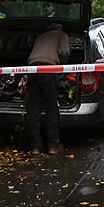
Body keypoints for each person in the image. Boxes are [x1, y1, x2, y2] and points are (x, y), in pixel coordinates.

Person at [26, 23, 70, 155]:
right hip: (49, 69)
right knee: (51, 109)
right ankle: (53, 145)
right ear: (60, 27)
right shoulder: (62, 35)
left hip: (32, 68)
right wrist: (61, 68)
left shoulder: (40, 36)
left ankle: (36, 147)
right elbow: (65, 52)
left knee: (33, 110)